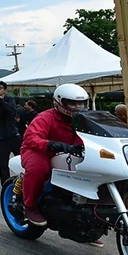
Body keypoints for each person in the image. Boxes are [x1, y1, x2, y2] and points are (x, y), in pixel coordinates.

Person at [19, 84, 89, 230]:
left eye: (81, 103)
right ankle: (29, 206)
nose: (77, 107)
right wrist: (52, 144)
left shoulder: (86, 120)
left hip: (70, 154)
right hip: (40, 151)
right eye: (72, 103)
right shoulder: (45, 118)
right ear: (59, 102)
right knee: (39, 168)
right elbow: (31, 139)